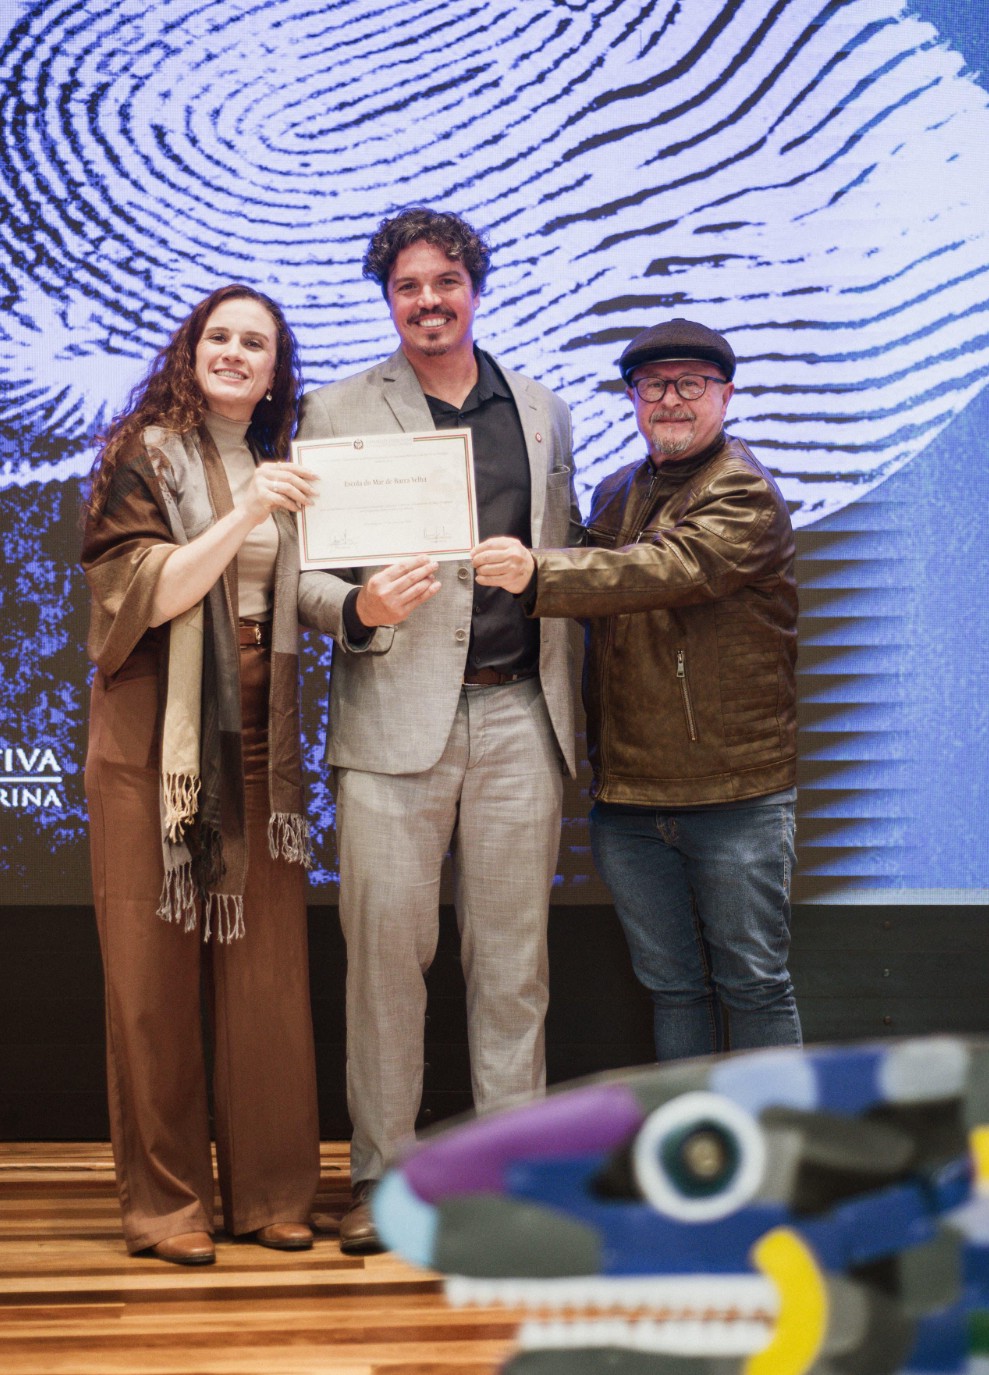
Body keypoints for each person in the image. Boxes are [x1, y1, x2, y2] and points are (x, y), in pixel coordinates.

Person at [297, 207, 579, 1252]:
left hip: (518, 711)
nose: (428, 301)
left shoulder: (539, 409)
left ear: (475, 288)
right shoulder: (333, 410)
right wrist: (356, 610)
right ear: (387, 298)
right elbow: (298, 576)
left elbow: (563, 552)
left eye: (445, 283)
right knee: (383, 962)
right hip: (389, 721)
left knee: (511, 966)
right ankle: (387, 1182)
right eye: (408, 286)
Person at [83, 285, 365, 1265]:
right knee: (153, 983)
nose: (236, 352)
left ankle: (272, 1195)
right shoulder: (145, 455)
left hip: (258, 735)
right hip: (153, 737)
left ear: (275, 366)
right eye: (221, 337)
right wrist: (245, 508)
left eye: (257, 342)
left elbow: (312, 588)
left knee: (267, 978)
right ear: (191, 350)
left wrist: (375, 606)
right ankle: (166, 1209)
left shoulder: (284, 461)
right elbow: (145, 591)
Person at [473, 317, 802, 1062]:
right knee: (673, 988)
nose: (671, 400)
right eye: (652, 385)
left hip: (734, 795)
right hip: (627, 797)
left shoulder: (742, 492)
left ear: (725, 393)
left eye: (691, 384)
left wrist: (537, 572)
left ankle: (778, 1166)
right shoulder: (618, 486)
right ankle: (693, 1165)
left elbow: (659, 571)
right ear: (631, 397)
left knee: (753, 984)